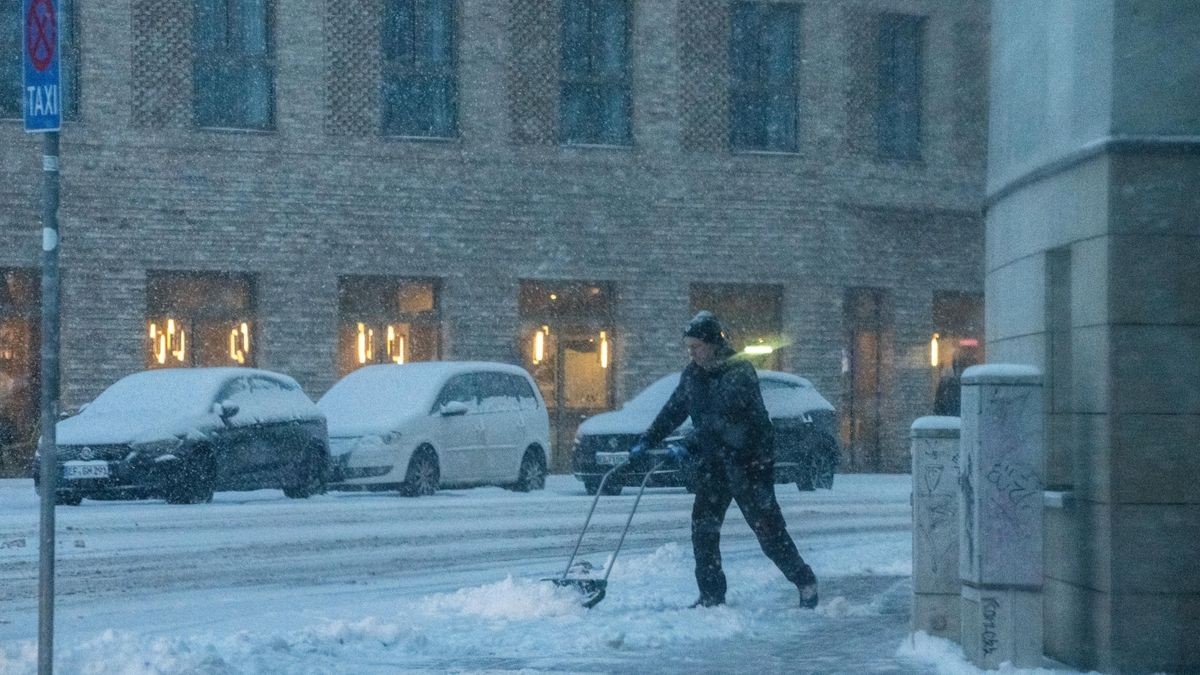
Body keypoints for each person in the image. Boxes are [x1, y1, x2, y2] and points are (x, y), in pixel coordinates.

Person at [629, 310, 819, 609]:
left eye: (697, 347)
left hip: (749, 463)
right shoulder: (693, 374)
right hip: (715, 464)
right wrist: (648, 439)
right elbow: (675, 409)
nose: (691, 353)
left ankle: (804, 580)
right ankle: (711, 595)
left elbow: (723, 418)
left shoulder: (739, 372)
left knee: (768, 531)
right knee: (703, 530)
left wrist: (688, 445)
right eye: (688, 347)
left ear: (713, 344)